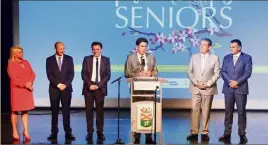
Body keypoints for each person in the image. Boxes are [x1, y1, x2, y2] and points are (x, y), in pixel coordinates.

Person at [124, 37, 158, 144]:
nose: (144, 48)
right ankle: (137, 136)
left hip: (149, 89)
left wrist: (151, 73)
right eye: (142, 46)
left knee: (148, 112)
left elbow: (156, 70)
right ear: (137, 47)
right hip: (136, 90)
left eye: (146, 46)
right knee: (136, 112)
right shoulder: (130, 58)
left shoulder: (151, 57)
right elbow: (127, 73)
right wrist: (138, 74)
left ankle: (149, 136)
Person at [219, 39, 252, 144]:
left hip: (240, 88)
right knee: (228, 112)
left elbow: (247, 73)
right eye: (230, 47)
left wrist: (237, 82)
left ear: (239, 48)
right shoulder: (226, 58)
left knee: (241, 112)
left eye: (233, 47)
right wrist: (229, 82)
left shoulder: (247, 58)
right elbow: (223, 71)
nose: (231, 48)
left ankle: (242, 134)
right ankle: (226, 133)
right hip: (228, 88)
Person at [186, 38, 220, 141]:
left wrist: (208, 84)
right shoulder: (194, 57)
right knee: (195, 110)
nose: (201, 46)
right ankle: (194, 132)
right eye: (200, 44)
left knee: (206, 111)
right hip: (195, 88)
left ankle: (205, 132)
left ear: (209, 47)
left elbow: (217, 73)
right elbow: (189, 72)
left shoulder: (215, 58)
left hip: (208, 89)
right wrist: (196, 83)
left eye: (204, 45)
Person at [81, 42, 111, 144]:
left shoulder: (106, 60)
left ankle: (100, 132)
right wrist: (90, 85)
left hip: (100, 88)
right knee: (89, 111)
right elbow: (83, 74)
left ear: (101, 49)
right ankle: (89, 132)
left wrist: (99, 85)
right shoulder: (87, 59)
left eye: (97, 49)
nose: (96, 51)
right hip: (89, 88)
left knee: (100, 112)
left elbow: (107, 75)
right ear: (91, 50)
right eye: (94, 49)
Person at [46, 42, 75, 140]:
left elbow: (71, 74)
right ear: (55, 48)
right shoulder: (49, 60)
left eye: (63, 48)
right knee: (54, 112)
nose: (62, 50)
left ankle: (68, 133)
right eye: (60, 48)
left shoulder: (69, 59)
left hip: (66, 89)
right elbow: (49, 75)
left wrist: (65, 85)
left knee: (66, 111)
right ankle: (54, 132)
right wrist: (58, 85)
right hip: (54, 89)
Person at [7, 46, 35, 141]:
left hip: (27, 90)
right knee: (15, 111)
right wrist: (25, 84)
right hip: (17, 90)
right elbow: (14, 78)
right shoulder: (11, 64)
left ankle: (26, 130)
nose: (21, 54)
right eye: (19, 52)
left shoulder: (26, 62)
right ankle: (14, 130)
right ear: (14, 54)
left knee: (25, 111)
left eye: (22, 52)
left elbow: (32, 73)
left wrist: (30, 83)